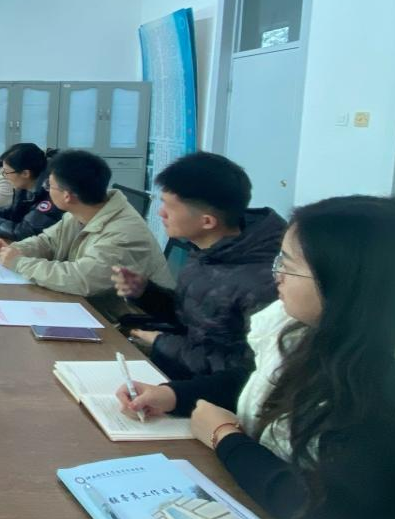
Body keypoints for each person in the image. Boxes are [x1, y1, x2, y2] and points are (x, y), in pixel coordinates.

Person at [116, 196, 395, 519]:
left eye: (288, 264)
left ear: (345, 283)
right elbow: (267, 379)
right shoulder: (331, 331)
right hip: (261, 504)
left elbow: (331, 517)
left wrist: (225, 437)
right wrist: (173, 395)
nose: (276, 276)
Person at [111, 152, 285, 378]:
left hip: (204, 391)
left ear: (207, 222)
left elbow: (248, 371)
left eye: (169, 207)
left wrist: (163, 343)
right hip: (175, 372)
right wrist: (146, 293)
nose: (161, 213)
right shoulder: (210, 251)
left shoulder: (264, 282)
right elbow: (194, 318)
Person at [0, 150, 172, 296]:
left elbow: (81, 279)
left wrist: (19, 263)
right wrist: (16, 250)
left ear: (67, 196)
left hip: (126, 321)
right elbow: (48, 241)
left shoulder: (123, 234)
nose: (47, 190)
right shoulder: (80, 211)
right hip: (94, 308)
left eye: (49, 186)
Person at [0, 143, 62, 241]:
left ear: (25, 173)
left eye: (6, 172)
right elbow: (13, 213)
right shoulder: (25, 187)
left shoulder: (51, 193)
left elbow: (24, 232)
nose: (4, 176)